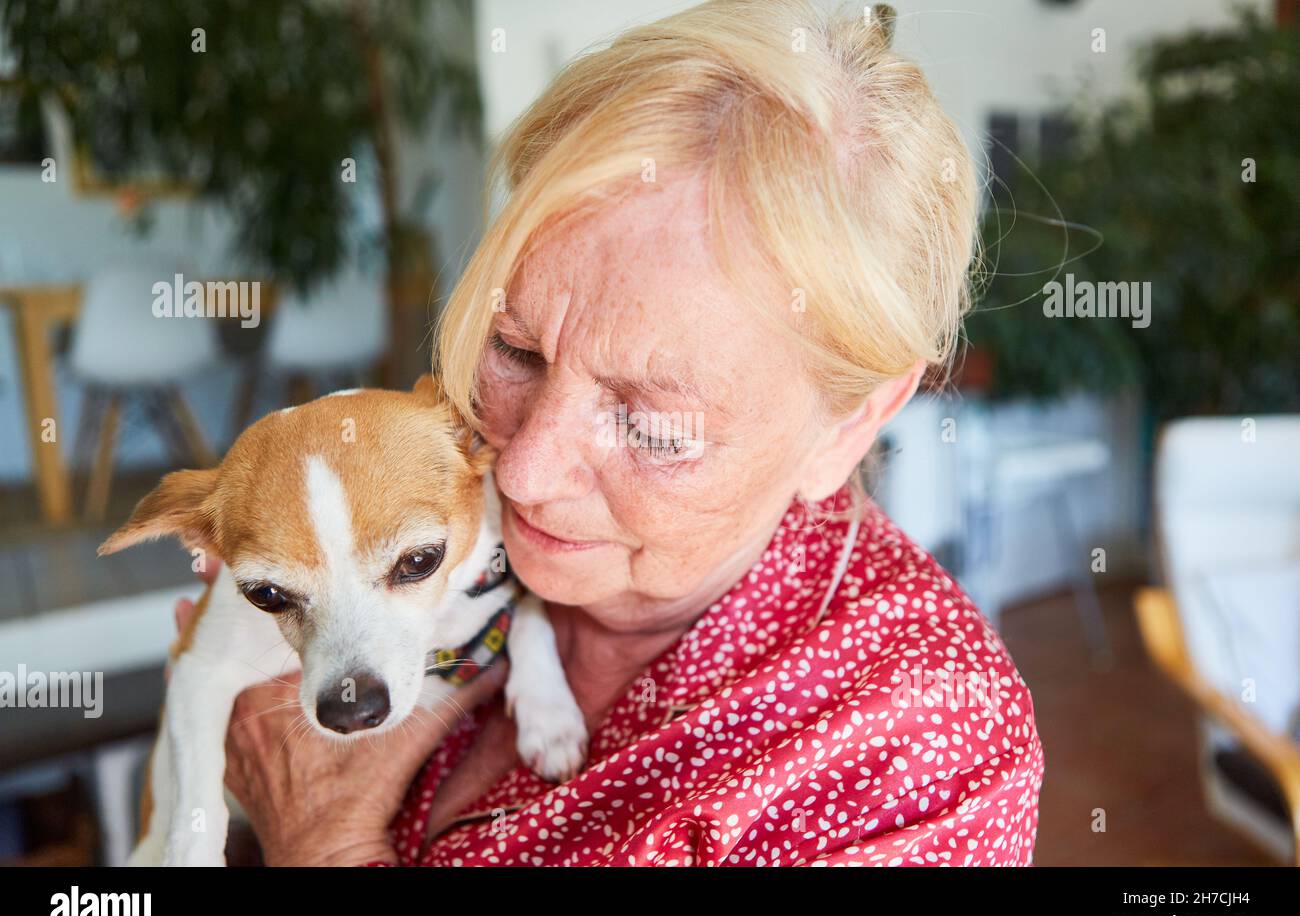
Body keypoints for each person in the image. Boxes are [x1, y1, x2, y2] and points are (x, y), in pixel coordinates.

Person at [196, 0, 1043, 866]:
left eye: (653, 424)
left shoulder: (918, 743)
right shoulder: (435, 527)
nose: (522, 470)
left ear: (850, 423)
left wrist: (324, 838)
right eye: (515, 350)